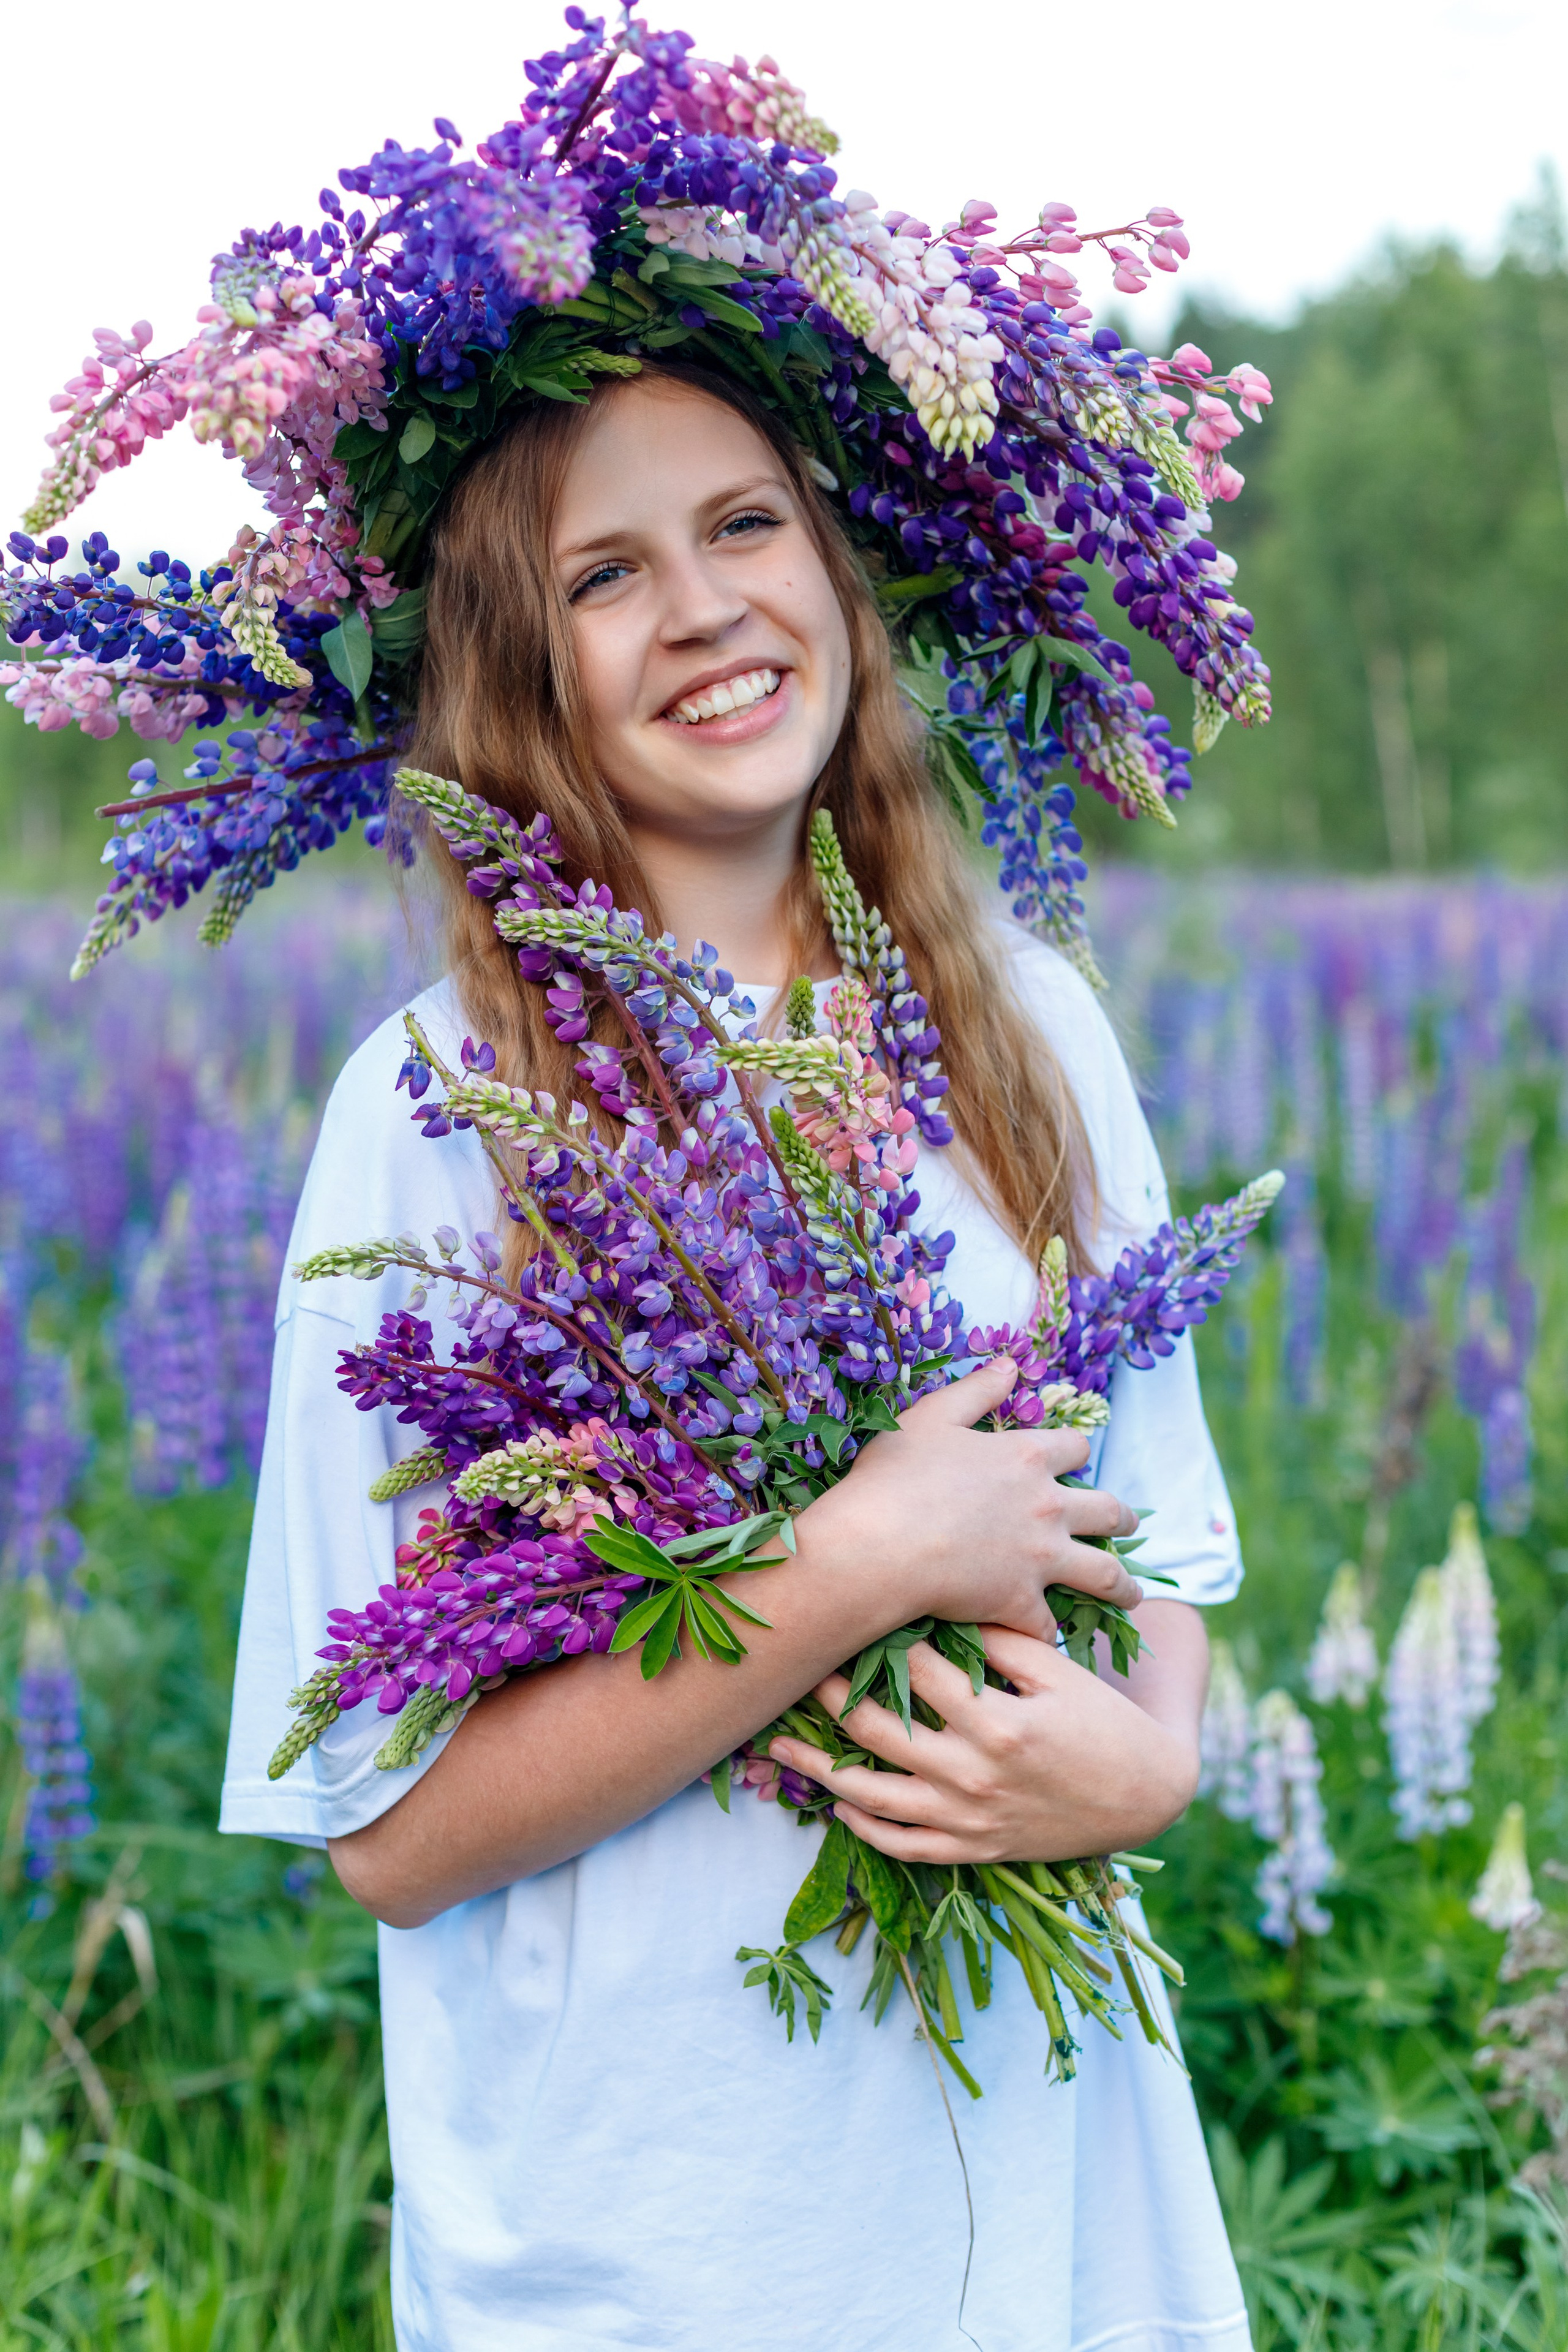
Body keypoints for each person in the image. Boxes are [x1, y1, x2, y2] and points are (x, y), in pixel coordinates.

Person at [221, 360, 1251, 2351]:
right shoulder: (436, 1108)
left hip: (1049, 2193)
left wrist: (1148, 1760)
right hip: (664, 2239)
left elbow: (1163, 1558)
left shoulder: (1026, 1025)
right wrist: (855, 1566)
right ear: (517, 672)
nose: (703, 607)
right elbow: (395, 1835)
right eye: (606, 572)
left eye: (747, 523)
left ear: (842, 574)